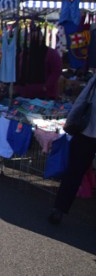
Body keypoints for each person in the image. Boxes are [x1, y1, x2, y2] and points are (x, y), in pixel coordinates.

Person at [48, 75, 96, 225]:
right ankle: (59, 209)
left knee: (73, 173)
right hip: (86, 131)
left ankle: (59, 209)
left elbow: (82, 99)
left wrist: (70, 122)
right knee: (74, 172)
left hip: (86, 131)